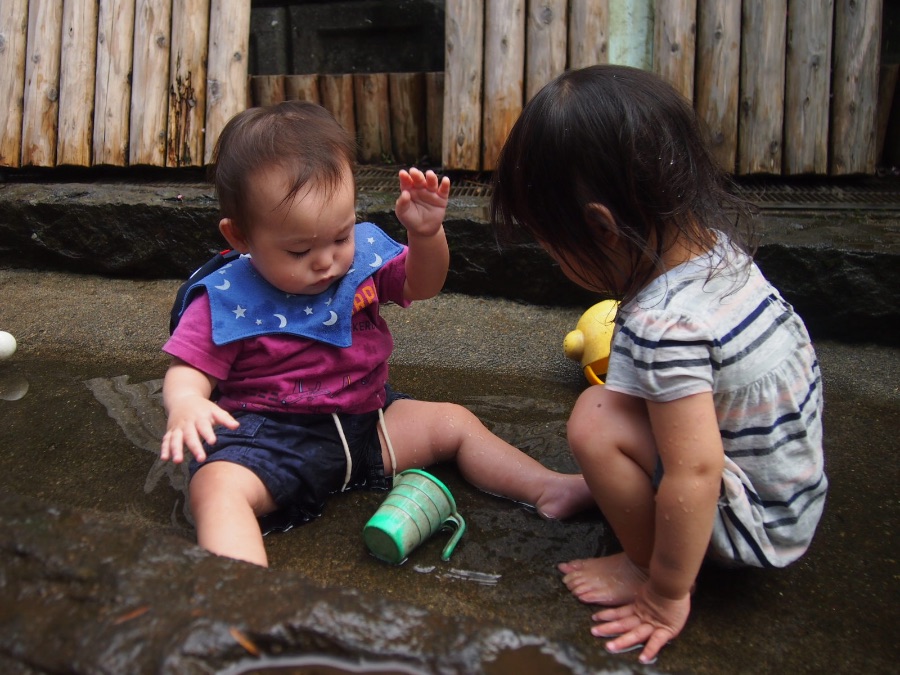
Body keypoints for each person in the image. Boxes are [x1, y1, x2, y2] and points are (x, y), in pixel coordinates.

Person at [159, 100, 593, 568]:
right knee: (215, 487)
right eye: (300, 249)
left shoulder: (359, 263)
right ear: (241, 237)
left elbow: (421, 284)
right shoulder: (224, 295)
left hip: (369, 424)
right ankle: (248, 591)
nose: (327, 261)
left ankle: (546, 487)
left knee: (454, 423)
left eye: (340, 237)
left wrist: (426, 236)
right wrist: (186, 403)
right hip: (271, 442)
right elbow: (189, 369)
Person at [490, 65, 826, 664]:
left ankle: (646, 561)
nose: (555, 262)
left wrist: (664, 593)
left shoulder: (661, 323)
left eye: (551, 245)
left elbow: (695, 472)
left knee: (597, 418)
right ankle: (620, 504)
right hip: (793, 493)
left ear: (599, 226)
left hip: (754, 528)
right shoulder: (718, 252)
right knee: (622, 403)